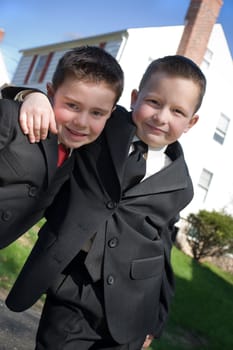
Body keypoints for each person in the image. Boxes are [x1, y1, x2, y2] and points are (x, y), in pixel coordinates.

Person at [2, 55, 206, 350]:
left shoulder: (181, 185)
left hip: (134, 305)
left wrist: (156, 317)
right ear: (135, 98)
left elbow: (162, 246)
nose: (161, 117)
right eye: (154, 102)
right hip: (73, 286)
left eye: (177, 111)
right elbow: (69, 101)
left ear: (191, 122)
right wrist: (31, 96)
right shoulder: (102, 124)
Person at [0, 45, 124, 248]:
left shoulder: (80, 158)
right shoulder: (14, 118)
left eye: (97, 113)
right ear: (50, 93)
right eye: (72, 106)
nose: (81, 122)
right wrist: (32, 94)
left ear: (110, 113)